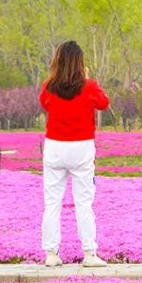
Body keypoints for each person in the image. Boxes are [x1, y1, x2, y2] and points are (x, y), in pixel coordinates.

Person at [39, 40, 110, 268]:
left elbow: (45, 104)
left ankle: (51, 254)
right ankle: (89, 253)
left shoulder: (49, 86)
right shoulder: (88, 87)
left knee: (52, 202)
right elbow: (104, 103)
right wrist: (87, 79)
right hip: (81, 148)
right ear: (80, 62)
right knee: (83, 203)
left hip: (55, 146)